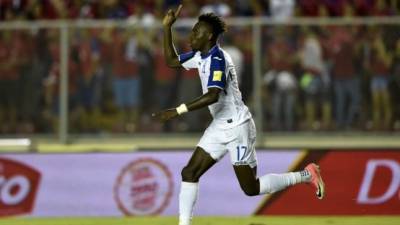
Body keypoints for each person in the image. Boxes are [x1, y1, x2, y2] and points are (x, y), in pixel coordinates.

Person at [152, 5, 325, 225]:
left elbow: (213, 95)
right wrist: (167, 27)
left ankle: (306, 175)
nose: (192, 35)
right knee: (189, 172)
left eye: (197, 32)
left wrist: (178, 110)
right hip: (219, 125)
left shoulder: (218, 60)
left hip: (238, 127)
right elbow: (171, 61)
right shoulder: (199, 55)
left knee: (251, 188)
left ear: (210, 36)